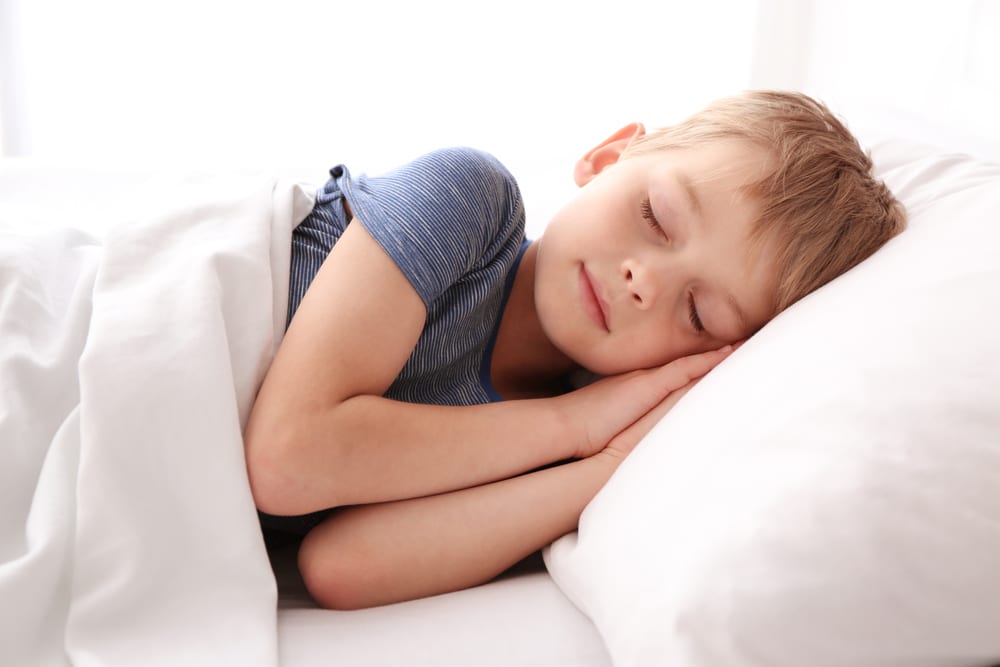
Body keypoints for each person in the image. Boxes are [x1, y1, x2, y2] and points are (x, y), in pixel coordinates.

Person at [243, 90, 906, 610]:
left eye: (698, 311)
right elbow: (286, 457)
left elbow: (340, 567)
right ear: (609, 155)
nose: (642, 280)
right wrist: (572, 425)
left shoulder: (552, 448)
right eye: (658, 217)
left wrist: (602, 464)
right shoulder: (467, 199)